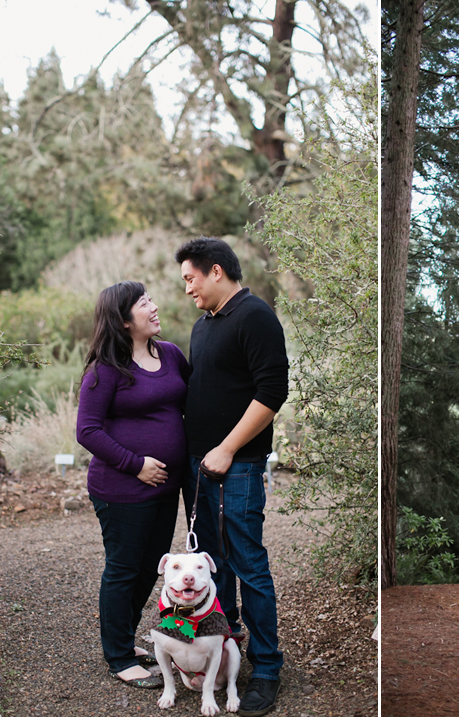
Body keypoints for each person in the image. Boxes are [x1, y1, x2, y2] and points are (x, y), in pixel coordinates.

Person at [175, 237, 289, 717]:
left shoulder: (255, 316)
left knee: (248, 567)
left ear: (216, 270)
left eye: (190, 278)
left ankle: (266, 669)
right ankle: (225, 657)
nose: (187, 290)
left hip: (237, 466)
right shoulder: (203, 327)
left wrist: (226, 448)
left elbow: (272, 391)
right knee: (211, 567)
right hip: (200, 471)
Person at [76, 281, 190, 689]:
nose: (155, 308)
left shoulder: (172, 355)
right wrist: (135, 464)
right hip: (121, 488)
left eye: (151, 300)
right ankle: (119, 657)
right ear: (124, 320)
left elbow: (193, 404)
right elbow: (86, 431)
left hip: (165, 487)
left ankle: (122, 639)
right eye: (145, 304)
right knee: (124, 569)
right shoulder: (105, 370)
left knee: (148, 568)